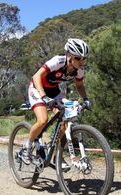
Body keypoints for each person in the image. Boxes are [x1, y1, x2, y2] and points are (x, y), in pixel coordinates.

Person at [20, 38, 92, 166]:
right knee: (43, 120)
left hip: (53, 90)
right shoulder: (57, 61)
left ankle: (56, 155)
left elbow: (79, 86)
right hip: (37, 88)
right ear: (69, 56)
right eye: (78, 58)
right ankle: (27, 148)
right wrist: (44, 97)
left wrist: (86, 99)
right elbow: (36, 77)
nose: (81, 62)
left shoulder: (79, 69)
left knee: (65, 119)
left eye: (84, 58)